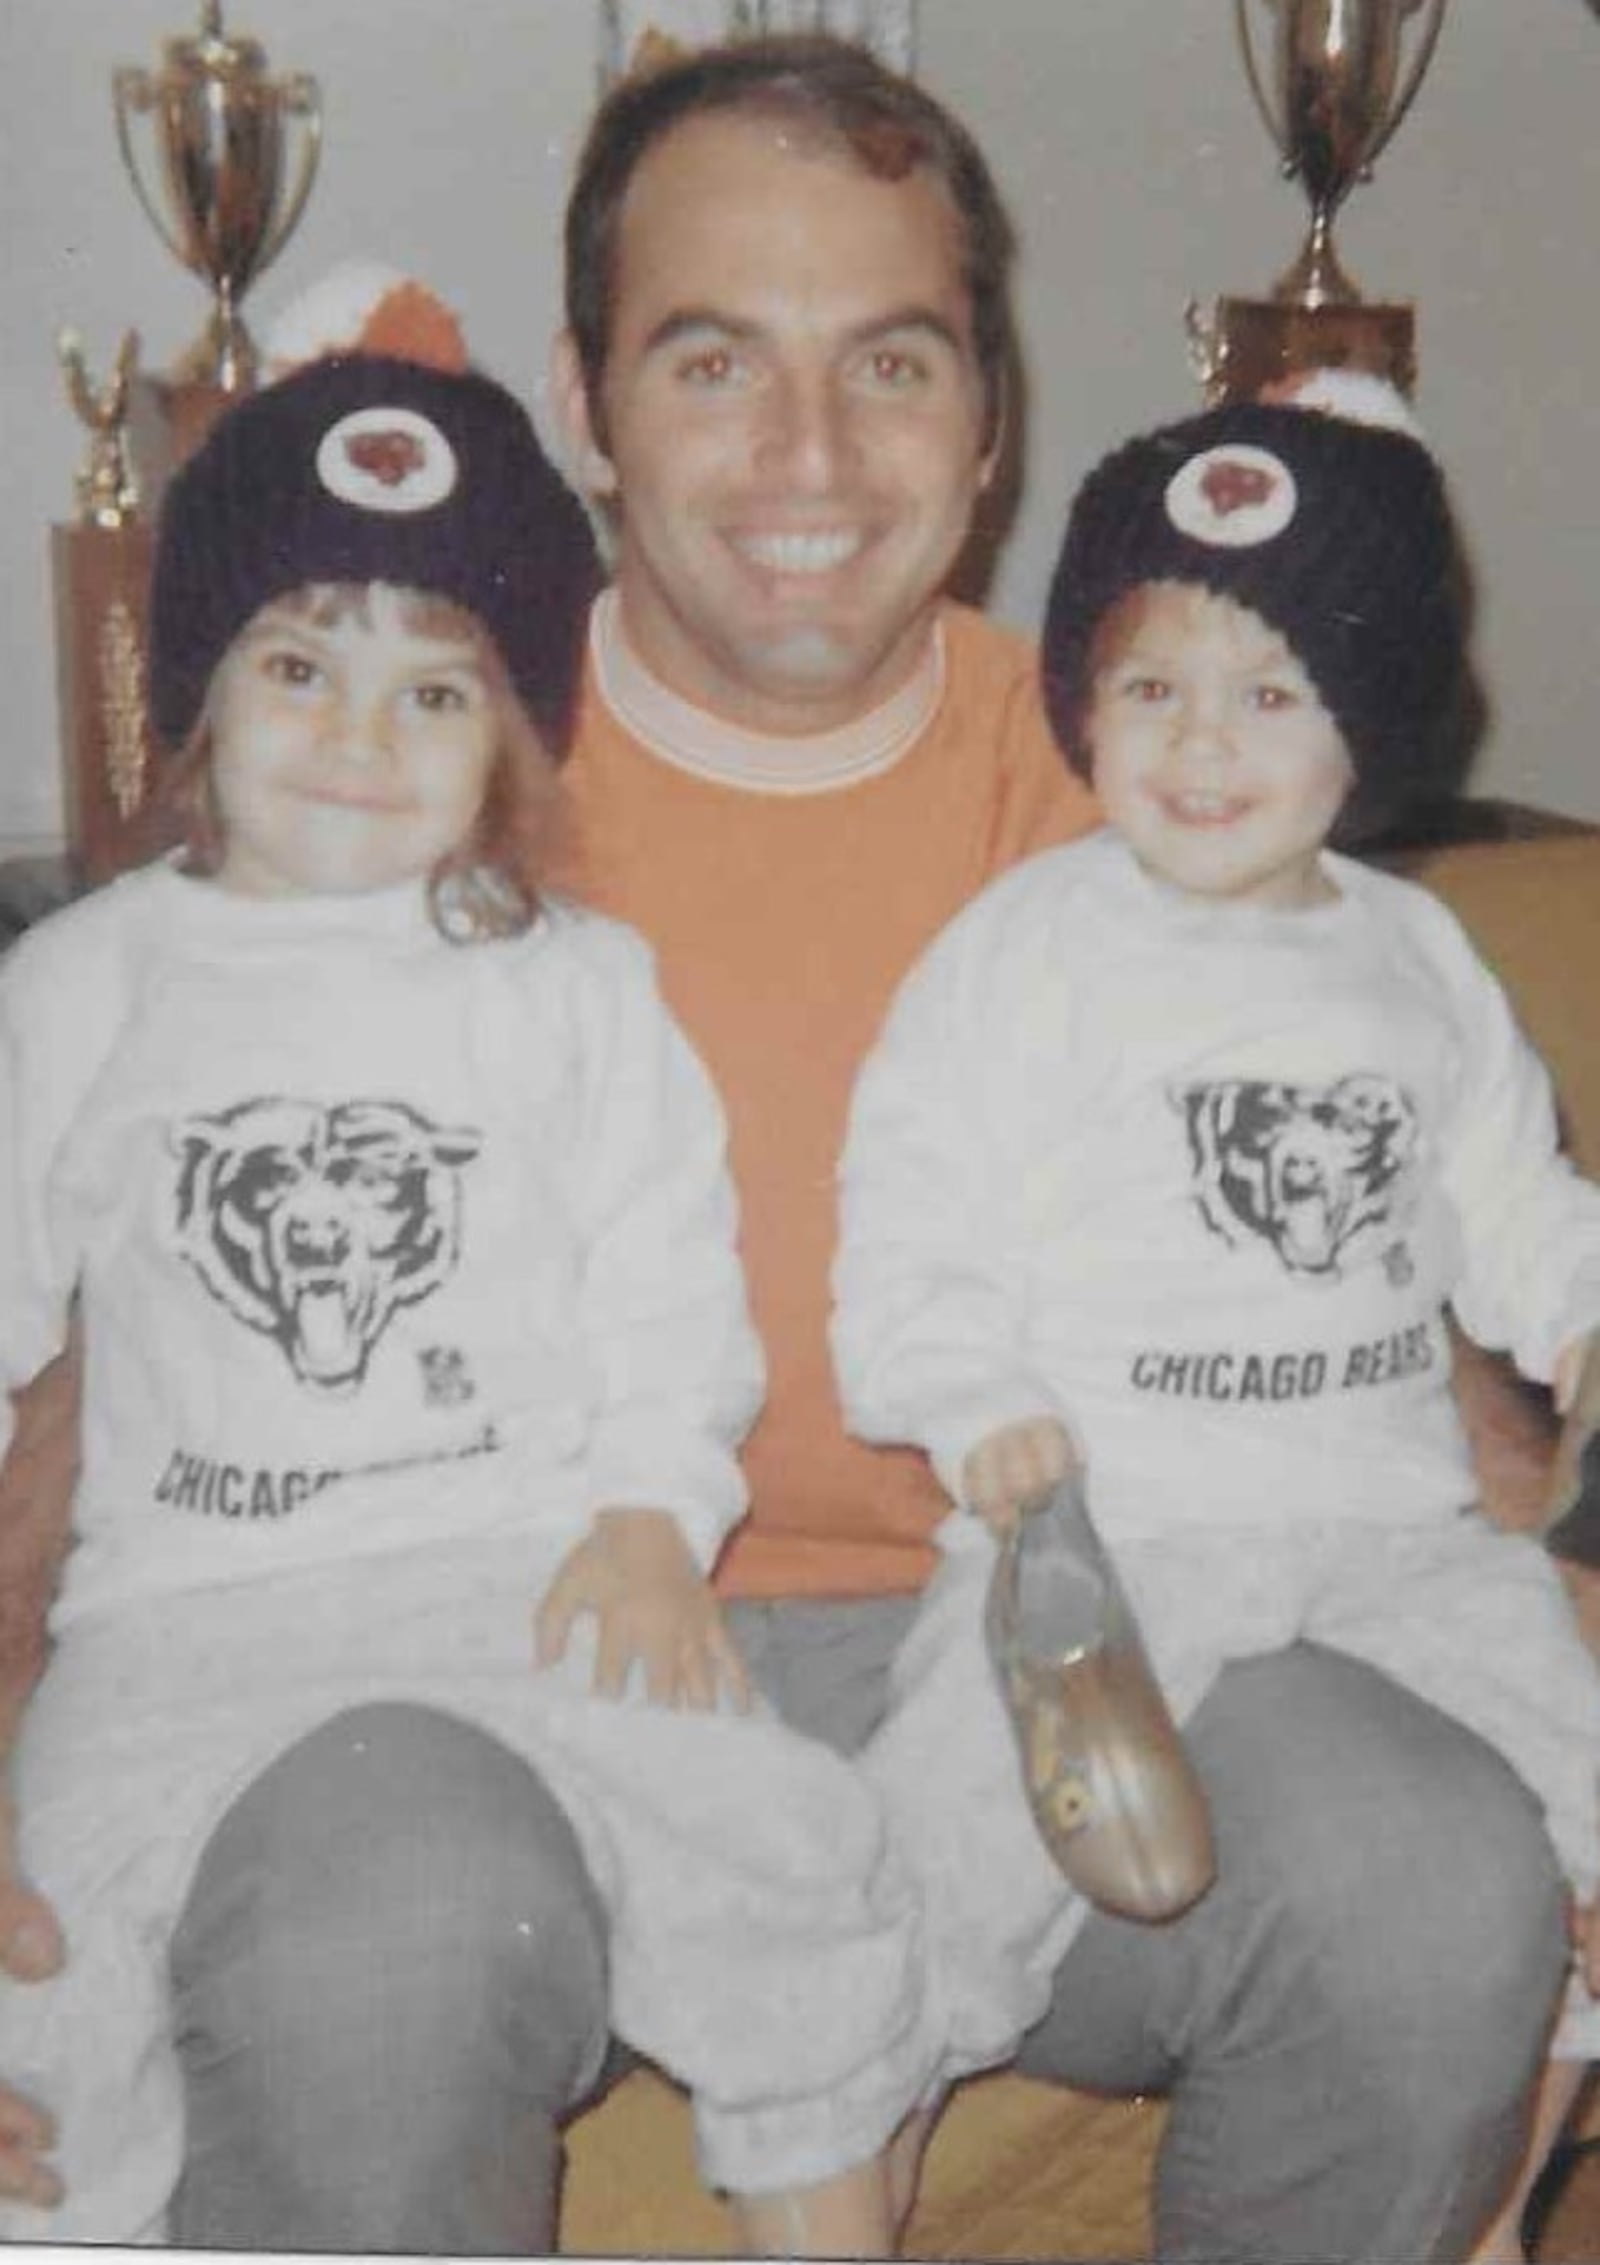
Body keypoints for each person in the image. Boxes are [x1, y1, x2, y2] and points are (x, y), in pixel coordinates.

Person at [0, 34, 1571, 2261]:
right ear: (581, 399)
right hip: (500, 1643)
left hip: (1064, 1630)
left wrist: (1544, 1574)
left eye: (892, 361)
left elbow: (1413, 1273)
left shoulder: (1166, 765)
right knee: (393, 1914)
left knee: (1436, 1882)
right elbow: (87, 1322)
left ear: (991, 416)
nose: (809, 455)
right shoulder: (394, 778)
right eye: (715, 357)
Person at [0, 319, 938, 2254]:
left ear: (511, 737)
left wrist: (650, 1518)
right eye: (294, 667)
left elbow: (669, 1295)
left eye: (433, 692)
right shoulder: (84, 983)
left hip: (522, 1581)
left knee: (797, 1864)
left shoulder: (573, 986)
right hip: (177, 1622)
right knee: (43, 2016)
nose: (357, 736)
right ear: (192, 702)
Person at [832, 389, 1600, 2255]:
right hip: (1111, 1530)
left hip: (1393, 1535)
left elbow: (1511, 1202)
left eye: (1271, 694)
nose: (1201, 741)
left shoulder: (1413, 959)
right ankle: (846, 2132)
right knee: (936, 1839)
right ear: (1086, 703)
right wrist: (974, 1395)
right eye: (1155, 683)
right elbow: (908, 1213)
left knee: (1586, 1806)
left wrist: (1579, 1315)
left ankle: (1488, 2196)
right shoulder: (1030, 945)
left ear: (1373, 726)